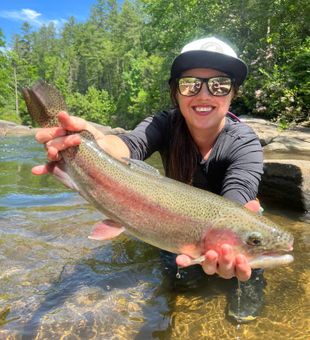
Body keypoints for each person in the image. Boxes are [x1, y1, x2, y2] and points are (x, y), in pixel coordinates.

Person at [32, 37, 265, 322]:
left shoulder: (245, 142)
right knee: (183, 286)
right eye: (190, 84)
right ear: (175, 93)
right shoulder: (163, 123)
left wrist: (229, 241)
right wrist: (89, 144)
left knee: (248, 254)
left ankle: (249, 284)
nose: (204, 95)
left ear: (233, 94)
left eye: (219, 85)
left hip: (225, 223)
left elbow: (238, 202)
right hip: (169, 221)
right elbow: (127, 146)